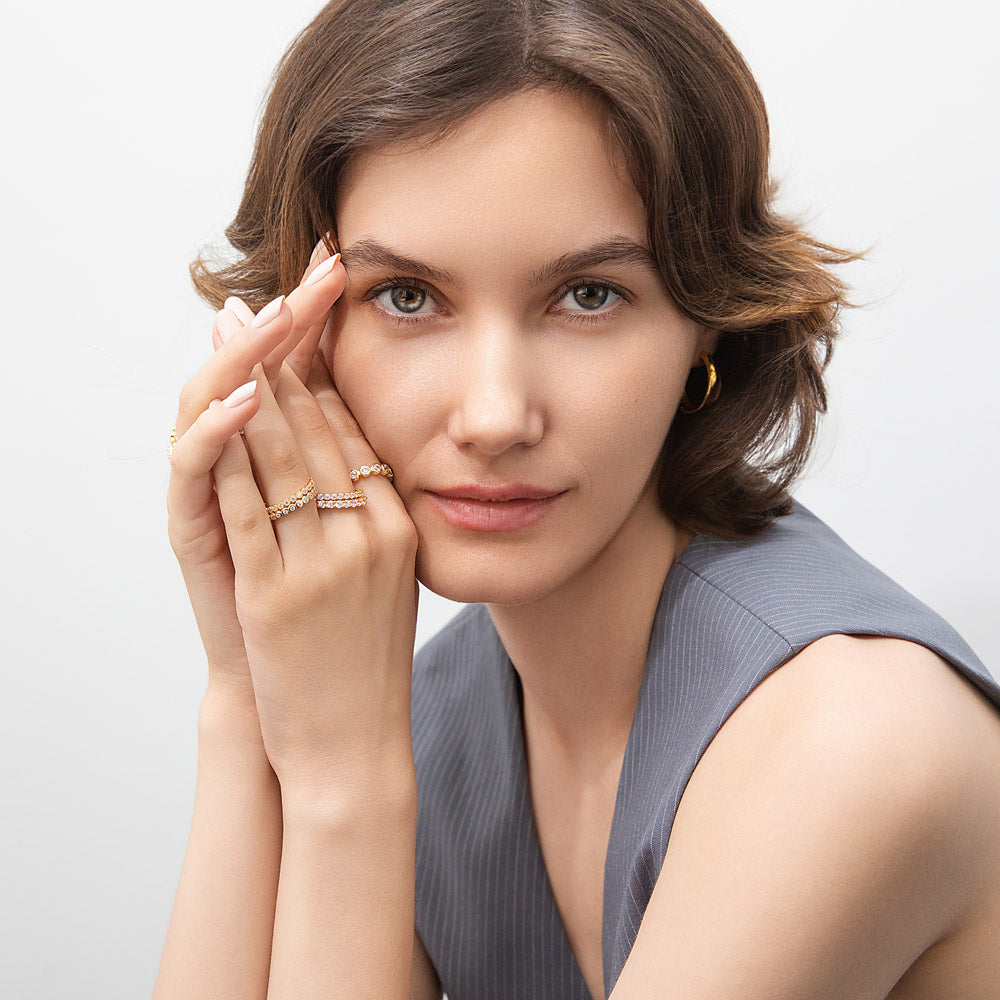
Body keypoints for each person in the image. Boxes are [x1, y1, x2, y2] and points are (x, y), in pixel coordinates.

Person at [155, 1, 1000, 997]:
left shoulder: (851, 741)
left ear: (705, 323)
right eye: (407, 296)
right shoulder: (418, 717)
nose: (495, 414)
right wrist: (248, 695)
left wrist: (345, 789)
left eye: (588, 295)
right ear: (300, 343)